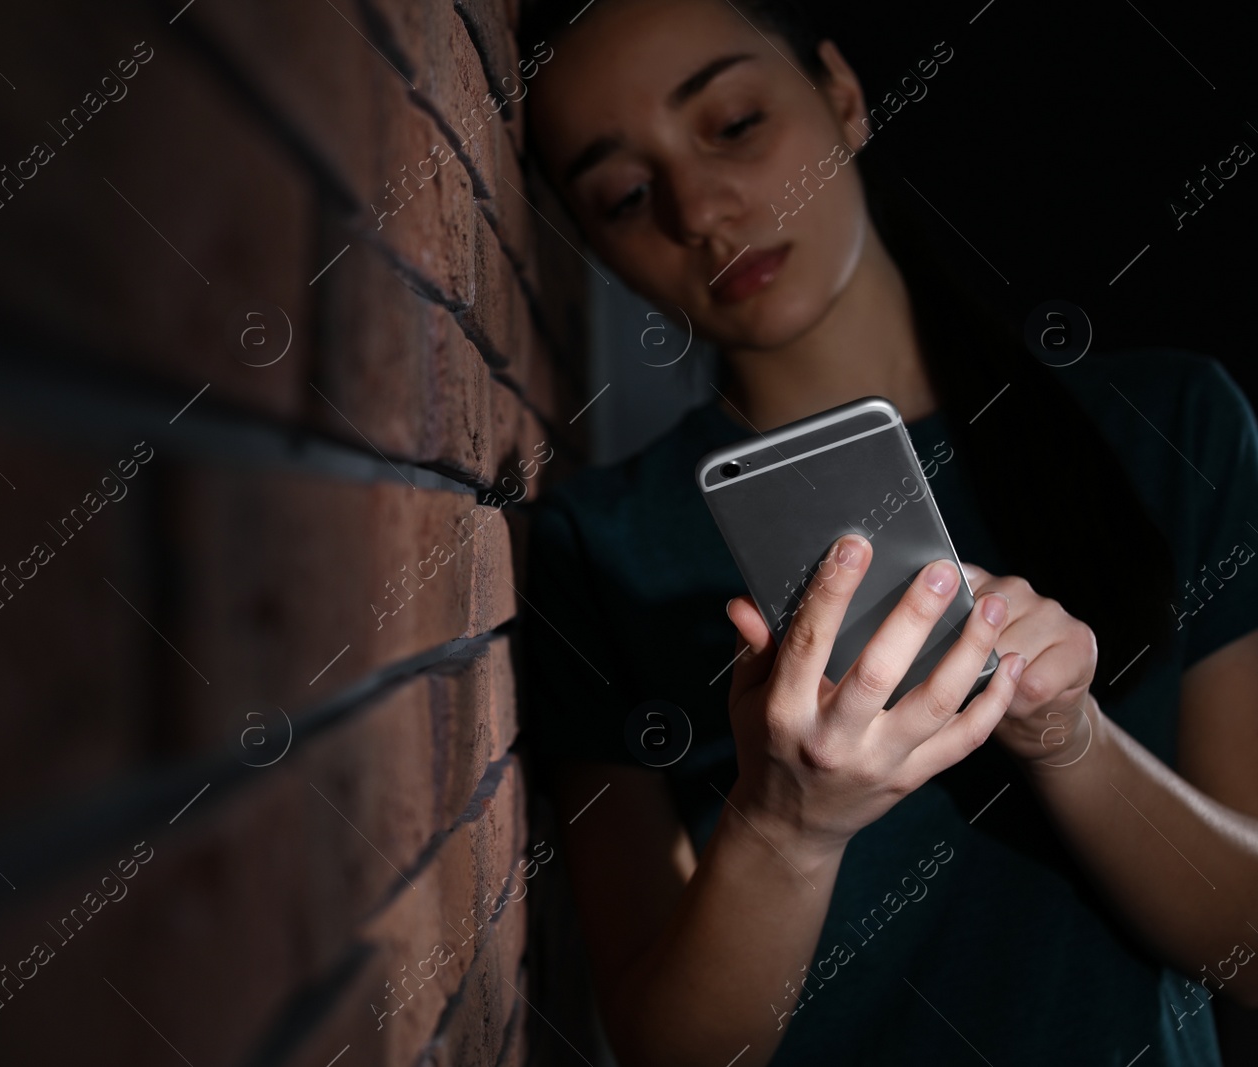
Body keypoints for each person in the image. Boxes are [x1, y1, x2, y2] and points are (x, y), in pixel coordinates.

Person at [515, 1, 1258, 1064]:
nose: (698, 208)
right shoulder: (603, 541)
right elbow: (668, 1048)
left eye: (731, 123)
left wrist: (1068, 737)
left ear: (843, 98)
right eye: (625, 195)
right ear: (594, 246)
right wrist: (786, 825)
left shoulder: (1172, 426)